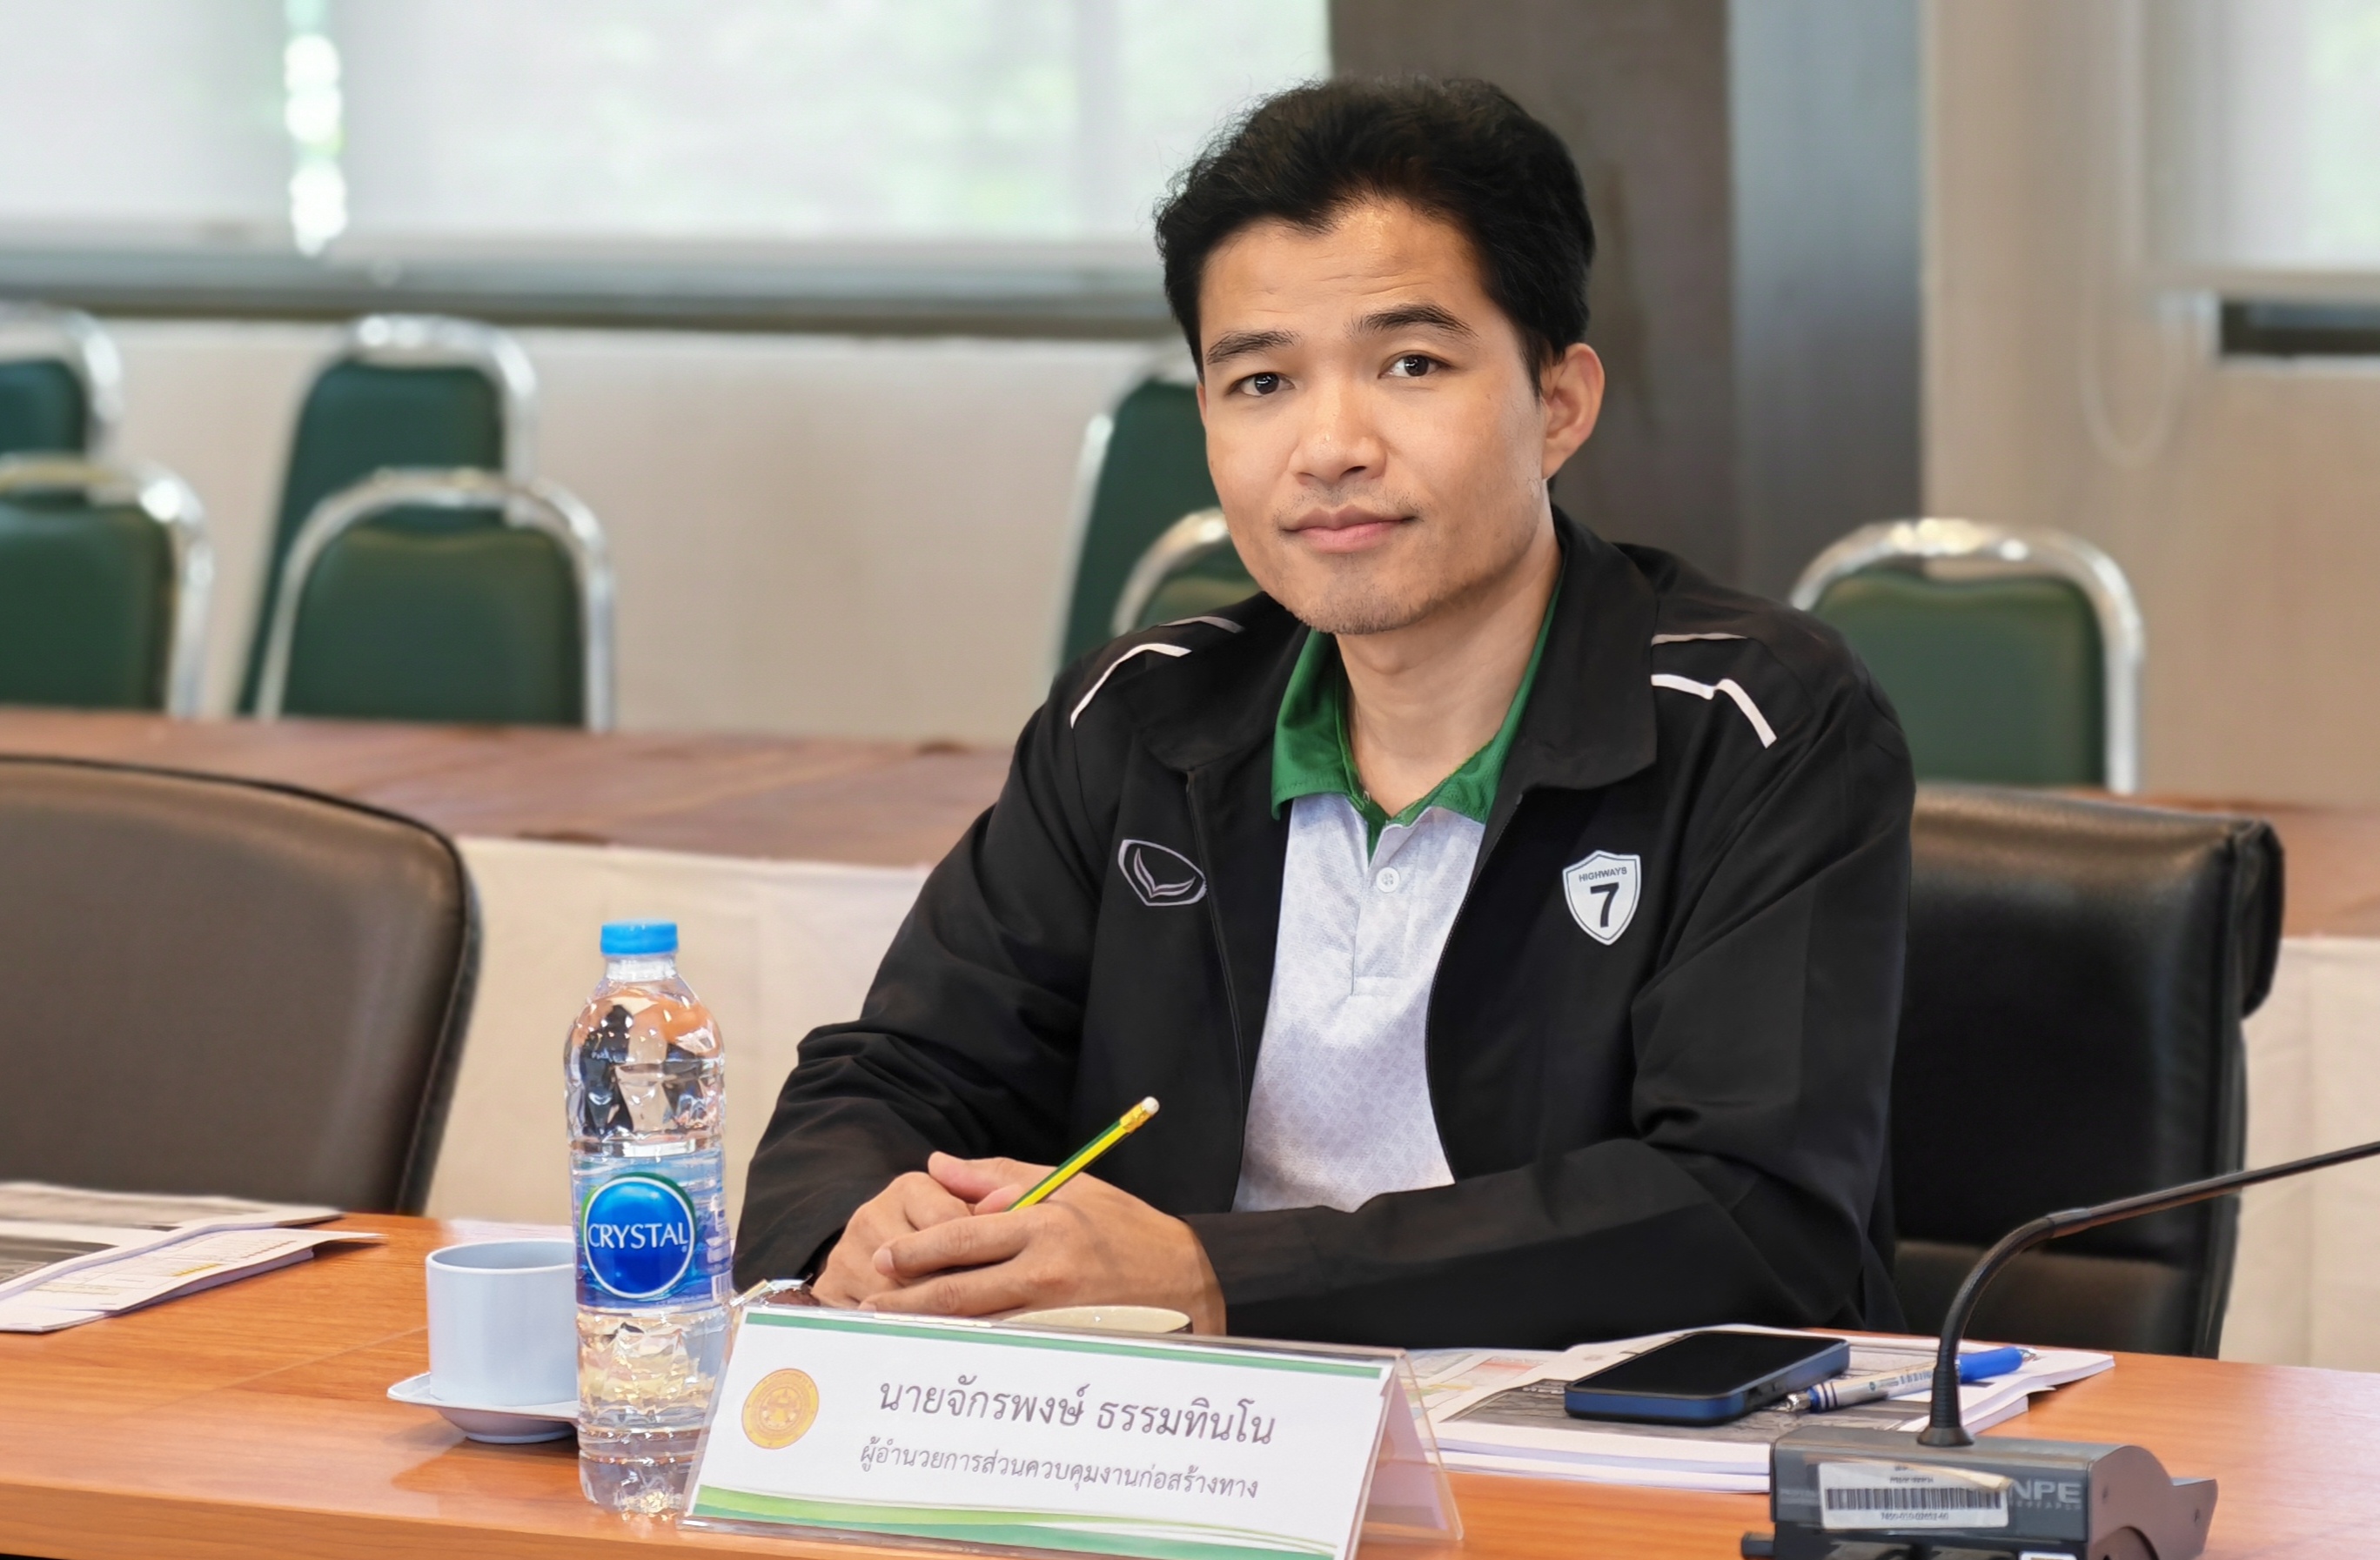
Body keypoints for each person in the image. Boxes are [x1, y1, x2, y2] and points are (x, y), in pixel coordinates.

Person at [735, 77, 1913, 1349]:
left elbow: (1751, 1216)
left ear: (1560, 404)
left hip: (1588, 1438)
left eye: (1411, 365)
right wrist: (865, 1223)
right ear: (1206, 419)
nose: (1329, 446)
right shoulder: (1135, 719)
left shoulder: (1754, 722)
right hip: (1178, 1431)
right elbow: (887, 1079)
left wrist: (1213, 1275)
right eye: (1261, 382)